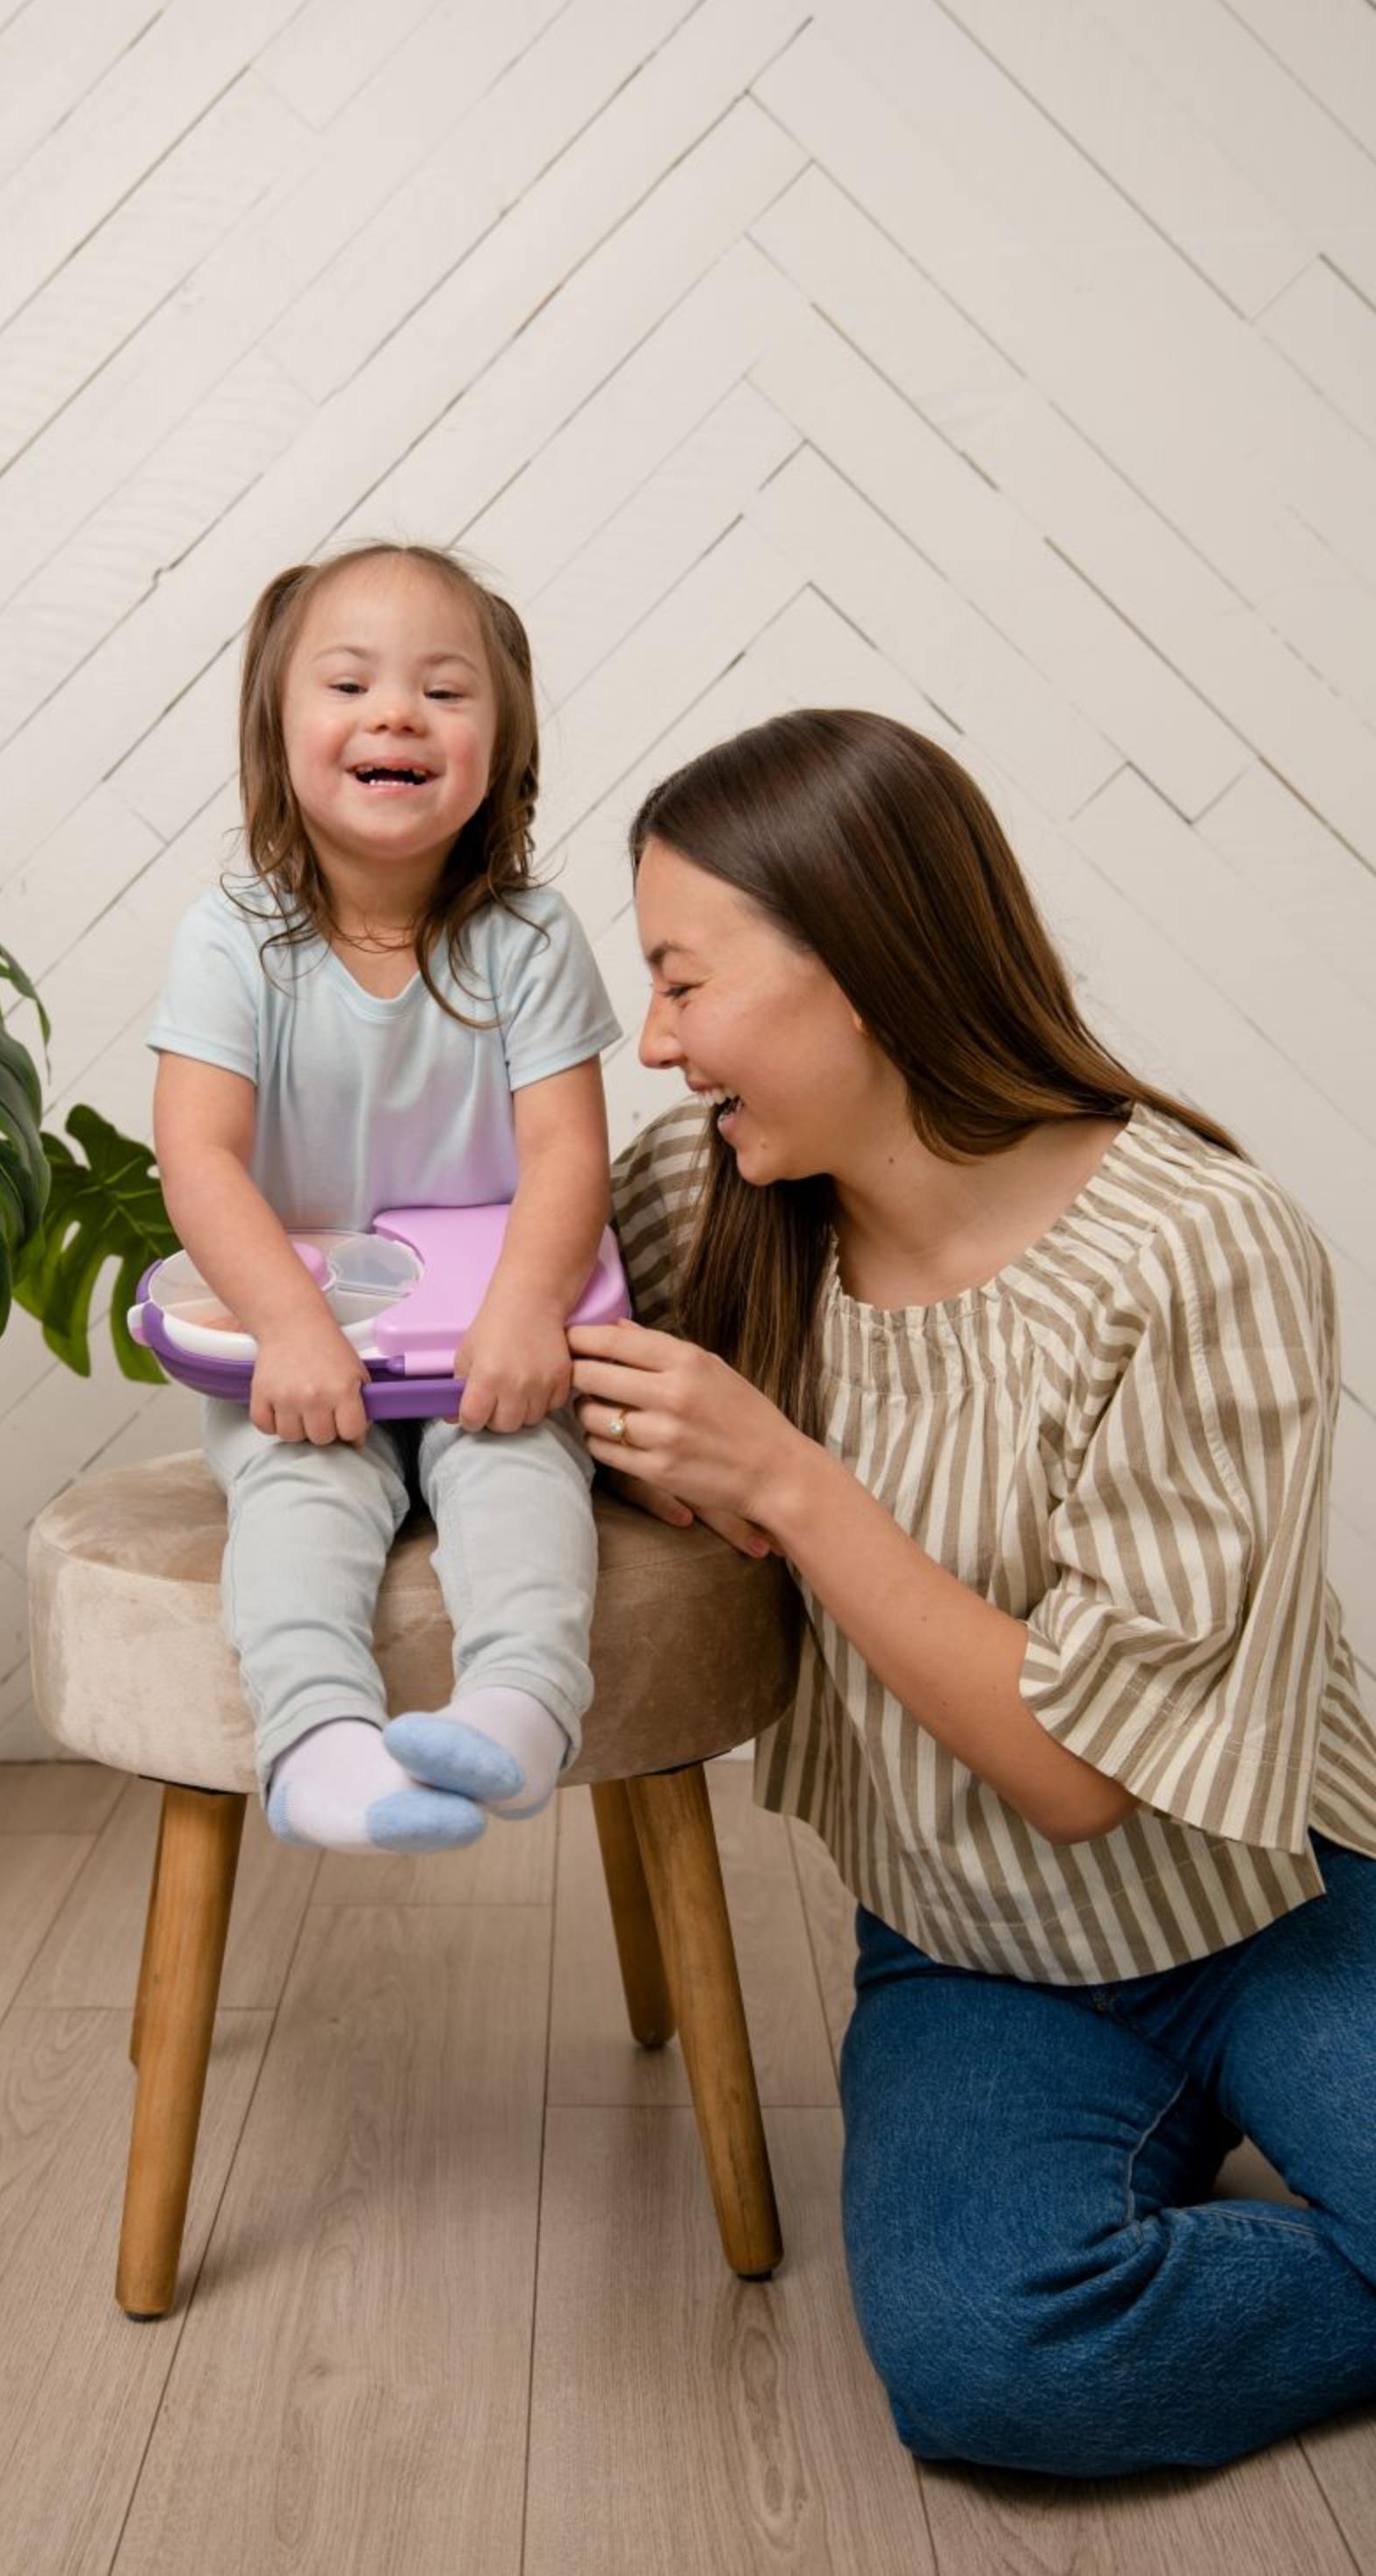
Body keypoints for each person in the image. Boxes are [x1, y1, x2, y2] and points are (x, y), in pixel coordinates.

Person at [566, 707, 1376, 2478]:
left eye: (683, 982)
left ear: (854, 970)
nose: (655, 1039)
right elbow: (505, 1299)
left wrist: (784, 1477)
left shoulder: (1199, 1252)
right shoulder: (721, 1200)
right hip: (973, 1952)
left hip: (1280, 1904)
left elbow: (1085, 1776)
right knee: (992, 2358)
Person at [148, 542, 619, 1854]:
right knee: (299, 1499)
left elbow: (568, 1155)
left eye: (444, 692)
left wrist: (526, 1312)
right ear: (278, 730)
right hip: (315, 1353)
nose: (397, 714)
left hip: (488, 1347)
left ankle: (522, 1707)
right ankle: (319, 1743)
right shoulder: (233, 940)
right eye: (349, 684)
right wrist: (290, 1327)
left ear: (501, 749)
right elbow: (198, 1157)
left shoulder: (532, 940)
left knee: (523, 1479)